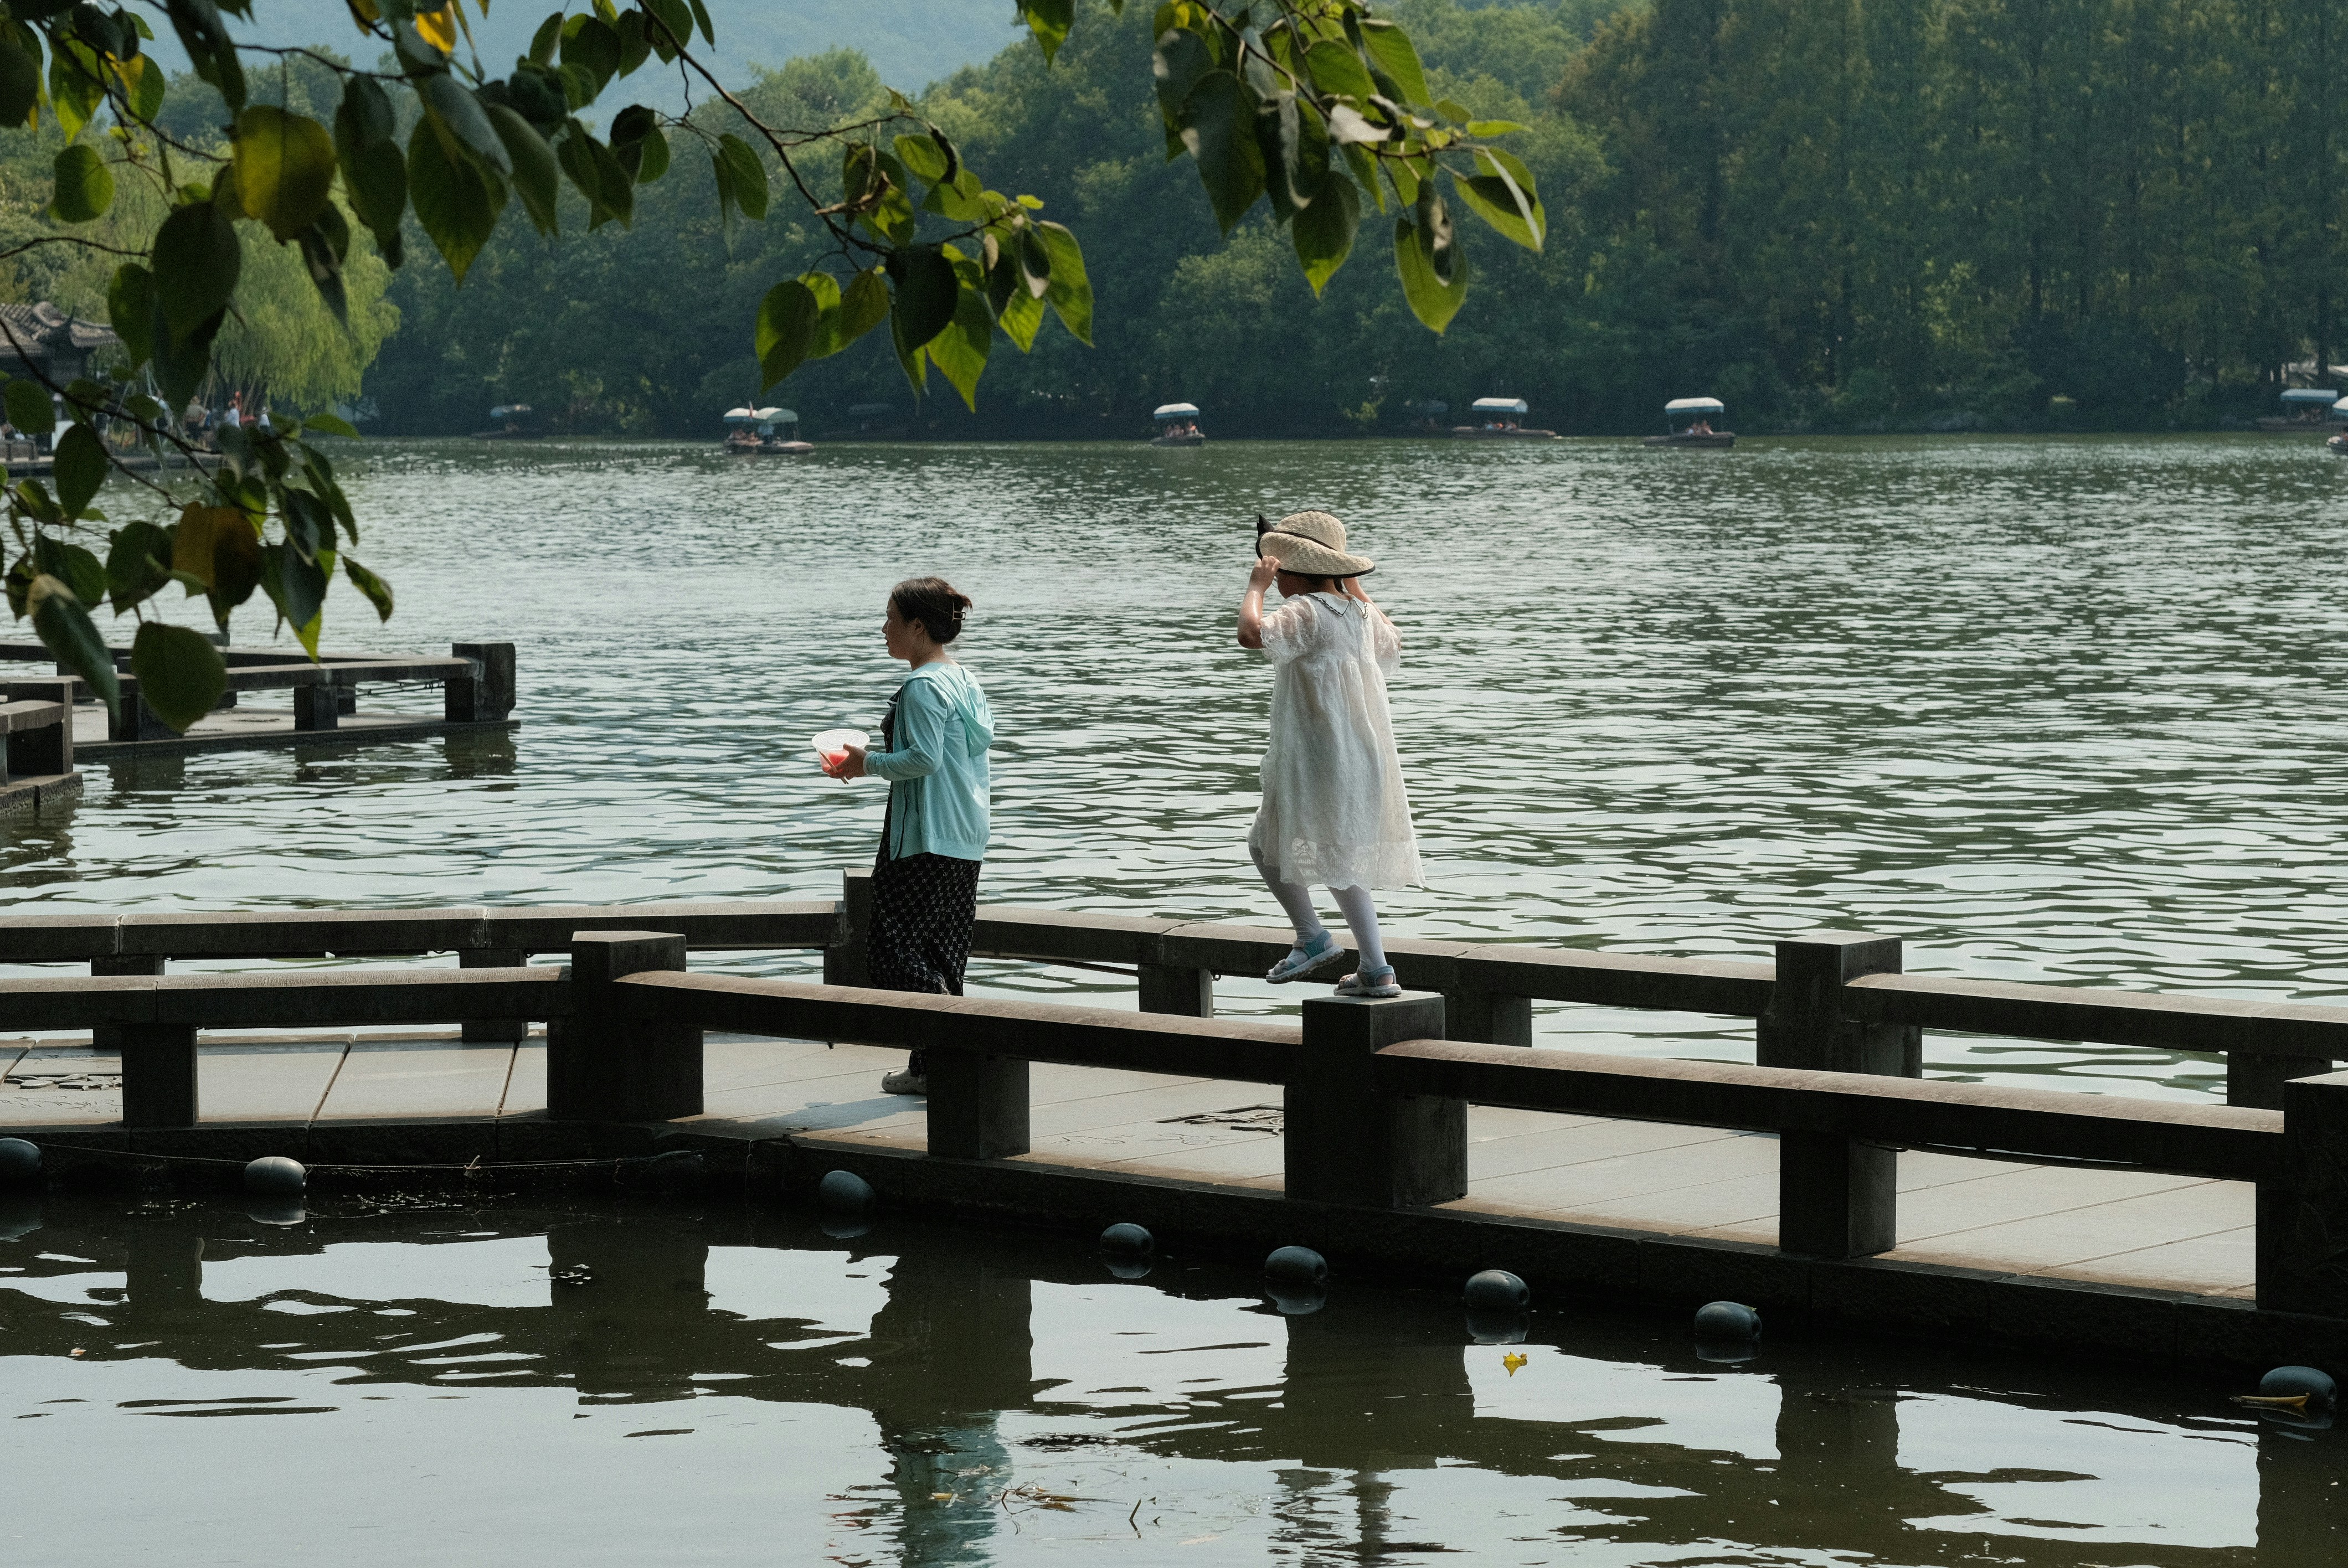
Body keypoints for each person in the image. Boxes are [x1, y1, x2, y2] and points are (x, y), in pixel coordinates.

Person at [1236, 510, 1423, 997]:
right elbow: (1392, 639)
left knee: (1264, 842)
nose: (1275, 579)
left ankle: (1312, 936)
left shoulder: (1308, 612)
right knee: (1338, 853)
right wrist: (1355, 587)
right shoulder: (1360, 614)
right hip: (1361, 756)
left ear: (1294, 572)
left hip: (1316, 754)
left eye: (1279, 572)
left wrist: (1255, 587)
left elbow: (1251, 634)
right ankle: (1377, 968)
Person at [822, 576, 995, 1095]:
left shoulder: (922, 686)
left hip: (923, 836)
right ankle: (932, 1069)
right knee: (943, 951)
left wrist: (864, 761)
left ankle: (957, 1037)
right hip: (964, 834)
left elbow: (923, 759)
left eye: (892, 621)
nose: (883, 629)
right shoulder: (962, 678)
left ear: (918, 627)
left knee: (889, 952)